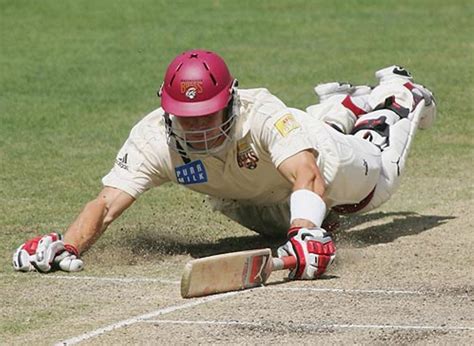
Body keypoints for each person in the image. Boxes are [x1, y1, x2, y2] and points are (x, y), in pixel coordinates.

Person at [12, 49, 436, 280]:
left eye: (207, 115)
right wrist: (67, 244)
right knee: (285, 232)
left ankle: (400, 96)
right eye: (185, 117)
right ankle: (341, 104)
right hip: (246, 195)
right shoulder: (152, 138)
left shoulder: (264, 115)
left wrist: (307, 232)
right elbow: (105, 204)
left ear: (230, 102)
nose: (195, 127)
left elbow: (306, 173)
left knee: (377, 185)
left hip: (321, 160)